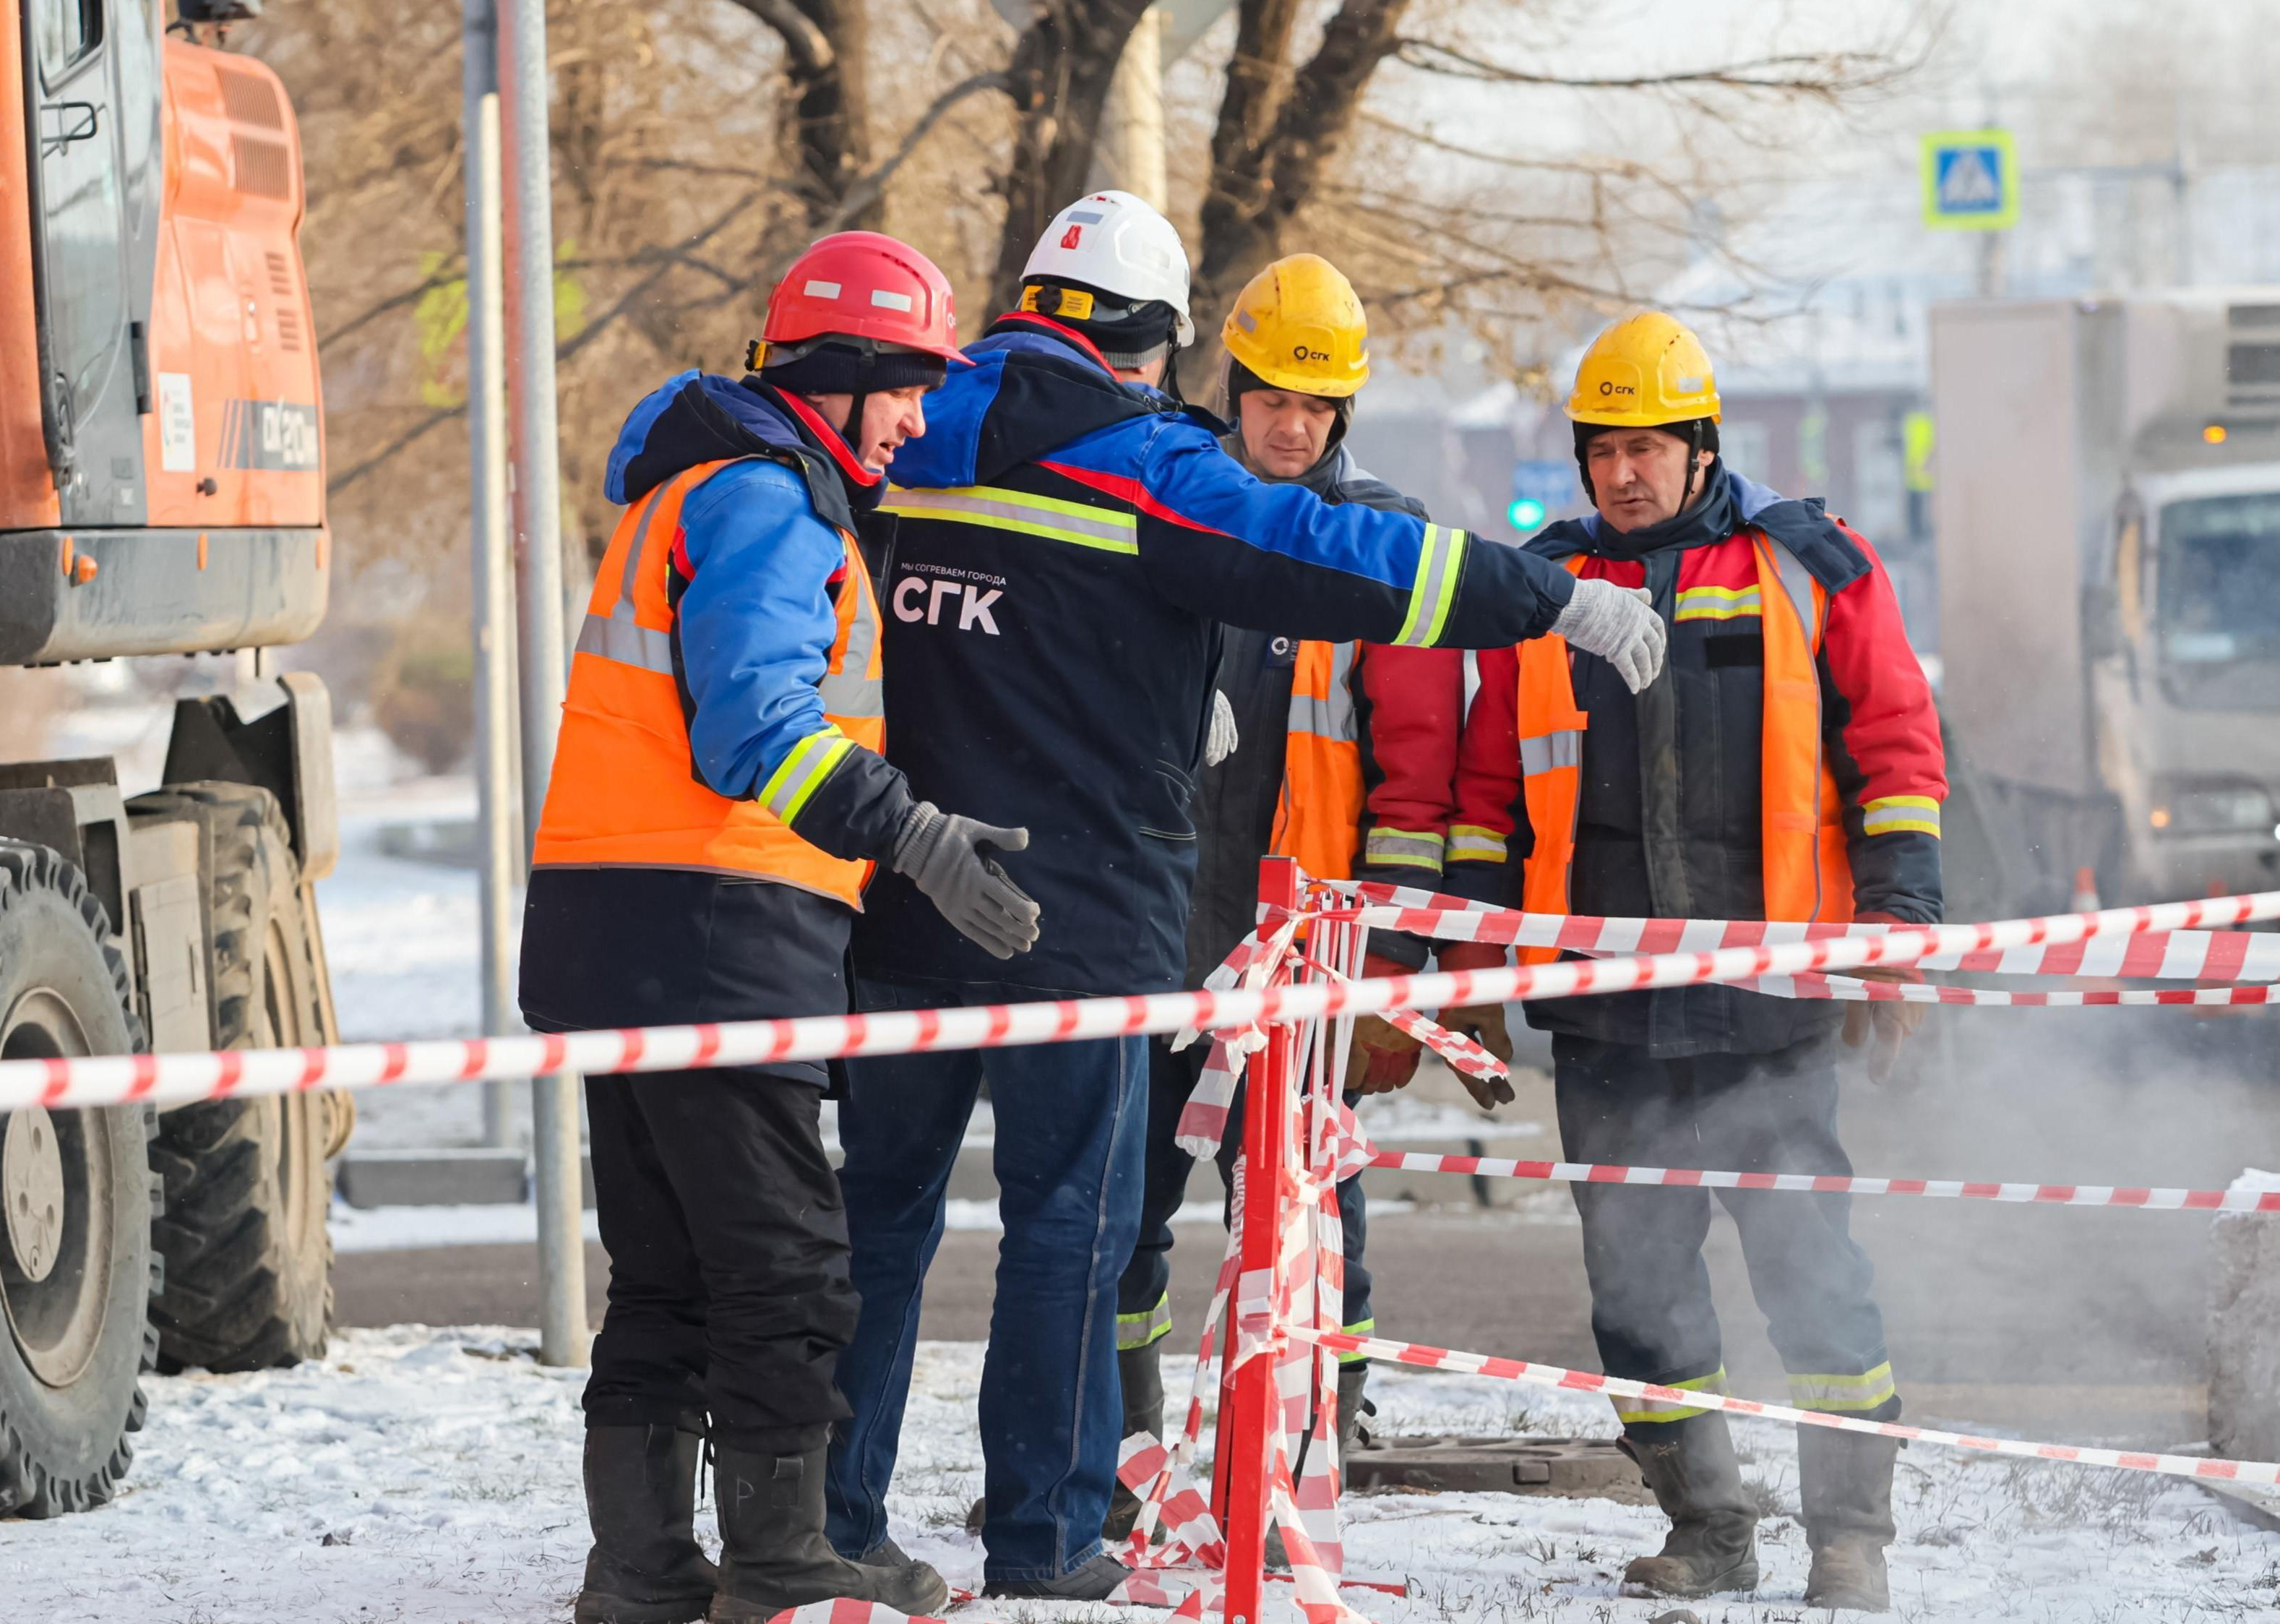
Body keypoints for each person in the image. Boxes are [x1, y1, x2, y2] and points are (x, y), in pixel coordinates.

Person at [822, 191, 1669, 1601]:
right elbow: (1345, 558)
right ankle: (1042, 1533)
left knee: (878, 1222)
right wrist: (1546, 599)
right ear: (1157, 345)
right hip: (1074, 915)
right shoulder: (1142, 462)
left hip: (904, 887)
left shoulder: (909, 434)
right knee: (1067, 1229)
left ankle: (831, 1516)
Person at [522, 231, 1044, 1624]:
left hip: (609, 925)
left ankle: (640, 1575)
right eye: (911, 385)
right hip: (716, 927)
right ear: (849, 370)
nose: (922, 418)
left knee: (669, 1276)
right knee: (787, 1273)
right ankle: (780, 1562)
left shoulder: (690, 486)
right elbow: (755, 722)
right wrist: (913, 832)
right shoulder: (767, 499)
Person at [1452, 311, 1944, 1612]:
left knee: (1814, 1282)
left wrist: (1895, 930)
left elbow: (1891, 750)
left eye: (1647, 447)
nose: (1622, 473)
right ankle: (1705, 1524)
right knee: (1637, 1290)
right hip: (1605, 1015)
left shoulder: (1806, 567)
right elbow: (1488, 795)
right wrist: (1466, 971)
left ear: (1700, 444)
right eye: (1601, 449)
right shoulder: (1540, 590)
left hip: (1769, 1004)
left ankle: (1849, 1539)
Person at [1107, 254, 1521, 1531]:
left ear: (1344, 415)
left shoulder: (1374, 551)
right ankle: (1119, 1456)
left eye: (1315, 405)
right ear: (1231, 390)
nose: (1288, 425)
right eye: (1270, 397)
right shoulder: (1173, 516)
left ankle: (1307, 1461)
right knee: (1119, 1209)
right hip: (1157, 940)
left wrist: (1387, 976)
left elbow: (1412, 786)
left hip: (1301, 963)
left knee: (1307, 1219)